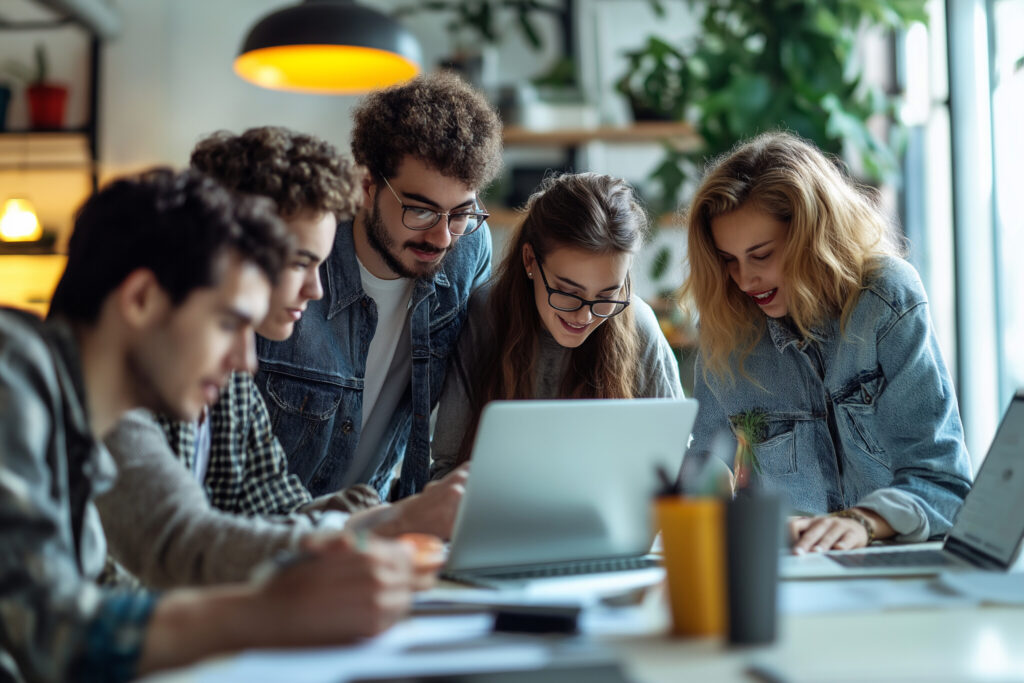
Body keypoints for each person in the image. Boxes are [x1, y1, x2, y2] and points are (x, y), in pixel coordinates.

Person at [0, 169, 418, 683]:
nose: (246, 362)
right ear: (140, 300)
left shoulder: (81, 448)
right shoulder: (12, 368)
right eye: (228, 324)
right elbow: (53, 632)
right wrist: (269, 611)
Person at [97, 128, 465, 589]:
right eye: (298, 262)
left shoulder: (228, 384)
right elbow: (179, 547)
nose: (317, 290)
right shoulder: (116, 385)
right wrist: (387, 526)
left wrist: (387, 519)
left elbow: (275, 508)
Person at [679, 131, 972, 553]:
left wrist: (864, 522)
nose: (744, 279)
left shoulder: (885, 299)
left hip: (894, 565)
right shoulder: (724, 329)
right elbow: (706, 475)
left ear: (811, 237)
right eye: (729, 260)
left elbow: (945, 483)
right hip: (792, 574)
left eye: (761, 255)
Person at [254, 71, 502, 500]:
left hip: (372, 524)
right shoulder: (300, 257)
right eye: (420, 211)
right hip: (264, 534)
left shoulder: (468, 246)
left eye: (460, 212)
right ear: (367, 186)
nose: (443, 237)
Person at [431, 172, 684, 479]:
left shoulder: (638, 324)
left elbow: (678, 463)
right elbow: (447, 467)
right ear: (529, 261)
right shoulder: (486, 315)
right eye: (567, 293)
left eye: (607, 295)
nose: (585, 316)